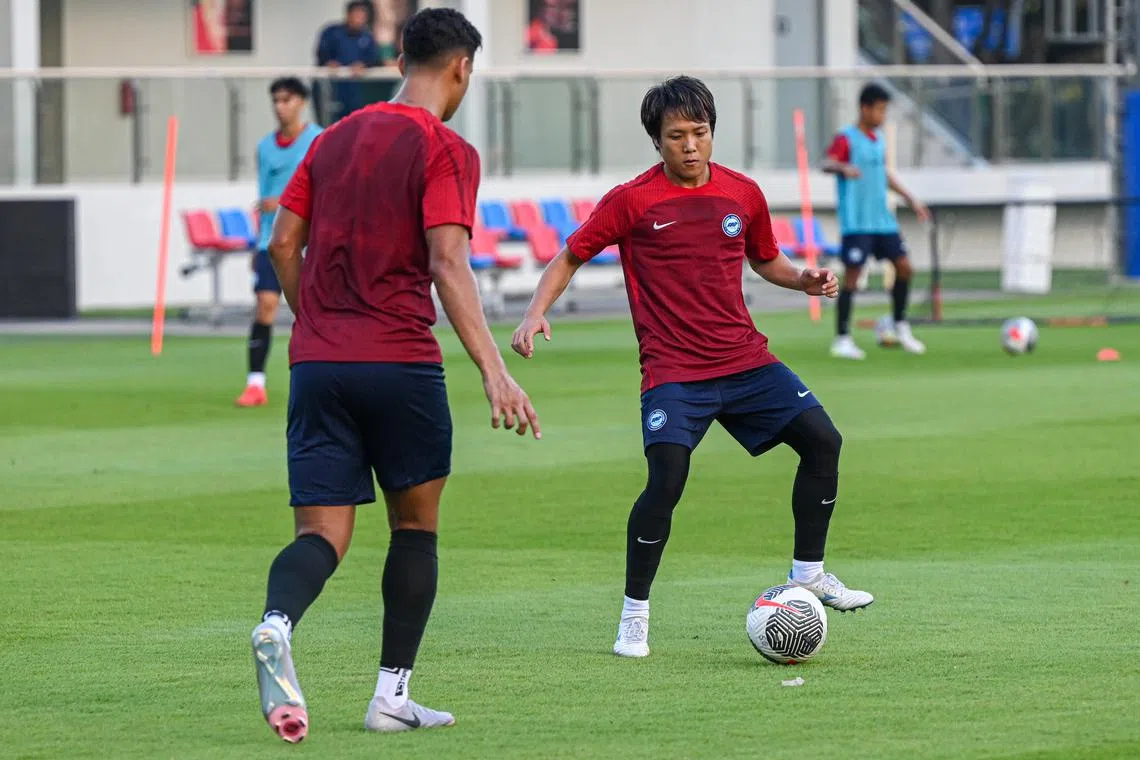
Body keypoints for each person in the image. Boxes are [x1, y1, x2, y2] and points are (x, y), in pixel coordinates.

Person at [252, 8, 540, 743]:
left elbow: (285, 243)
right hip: (399, 362)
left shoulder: (331, 139)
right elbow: (447, 263)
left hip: (318, 364)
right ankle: (390, 697)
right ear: (462, 69)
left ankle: (277, 622)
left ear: (401, 55)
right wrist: (494, 370)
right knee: (414, 526)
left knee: (321, 533)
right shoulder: (445, 148)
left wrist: (313, 314)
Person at [511, 76, 873, 660]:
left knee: (823, 441)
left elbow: (765, 258)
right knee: (668, 479)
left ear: (712, 133)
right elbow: (570, 254)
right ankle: (634, 615)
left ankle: (808, 574)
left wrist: (803, 277)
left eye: (699, 133)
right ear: (656, 141)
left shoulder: (742, 193)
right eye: (676, 135)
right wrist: (534, 313)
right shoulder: (632, 200)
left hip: (745, 359)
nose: (690, 146)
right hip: (674, 370)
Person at [823, 83, 930, 360]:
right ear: (865, 108)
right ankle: (842, 338)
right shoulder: (846, 138)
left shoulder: (878, 139)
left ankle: (900, 325)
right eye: (880, 109)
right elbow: (826, 163)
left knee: (905, 268)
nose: (882, 116)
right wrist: (843, 167)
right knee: (853, 278)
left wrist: (912, 199)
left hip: (883, 221)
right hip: (857, 223)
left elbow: (884, 176)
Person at [235, 78, 322, 408]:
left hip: (310, 241)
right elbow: (262, 196)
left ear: (301, 102)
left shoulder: (319, 140)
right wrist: (257, 243)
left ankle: (318, 381)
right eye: (276, 100)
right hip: (272, 241)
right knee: (266, 305)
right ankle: (255, 383)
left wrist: (288, 203)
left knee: (314, 312)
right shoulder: (264, 147)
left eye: (286, 99)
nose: (280, 106)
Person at [315, 1, 380, 123]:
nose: (360, 19)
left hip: (355, 92)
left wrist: (363, 65)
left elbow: (374, 59)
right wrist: (329, 63)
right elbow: (321, 54)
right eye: (357, 15)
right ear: (348, 15)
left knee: (355, 126)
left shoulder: (367, 37)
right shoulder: (331, 32)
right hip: (332, 89)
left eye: (363, 16)